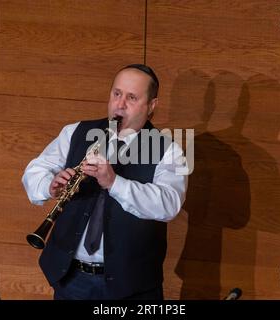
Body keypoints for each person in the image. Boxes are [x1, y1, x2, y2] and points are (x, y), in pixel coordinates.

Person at [22, 64, 188, 300]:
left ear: (152, 106)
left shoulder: (171, 149)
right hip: (71, 279)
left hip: (131, 288)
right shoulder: (76, 132)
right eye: (116, 94)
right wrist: (49, 185)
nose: (120, 104)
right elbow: (35, 170)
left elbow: (169, 204)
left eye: (132, 97)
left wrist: (114, 182)